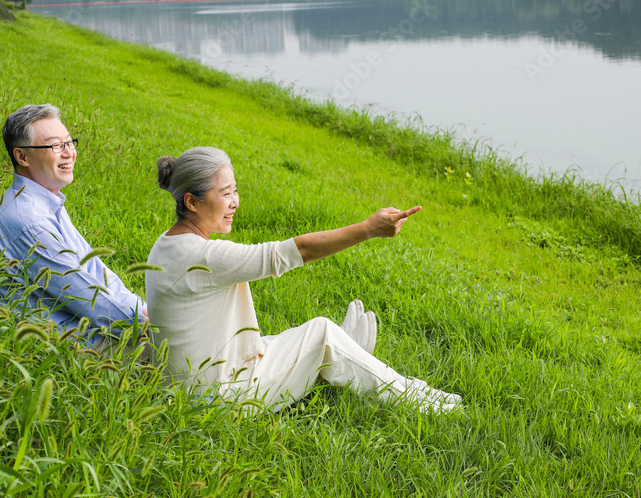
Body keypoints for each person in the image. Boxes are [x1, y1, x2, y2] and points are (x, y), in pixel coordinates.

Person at [145, 146, 461, 413]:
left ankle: (343, 354)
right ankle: (418, 398)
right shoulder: (206, 256)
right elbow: (296, 251)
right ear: (192, 202)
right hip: (218, 399)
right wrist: (368, 229)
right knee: (321, 333)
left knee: (283, 343)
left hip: (191, 389)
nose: (235, 202)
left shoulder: (166, 244)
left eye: (235, 190)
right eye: (225, 194)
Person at [0, 104, 149, 356]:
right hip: (73, 346)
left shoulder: (46, 201)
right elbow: (83, 294)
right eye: (55, 146)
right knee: (191, 348)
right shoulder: (30, 220)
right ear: (23, 157)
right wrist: (145, 324)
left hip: (92, 328)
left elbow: (95, 270)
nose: (69, 153)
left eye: (69, 142)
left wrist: (140, 309)